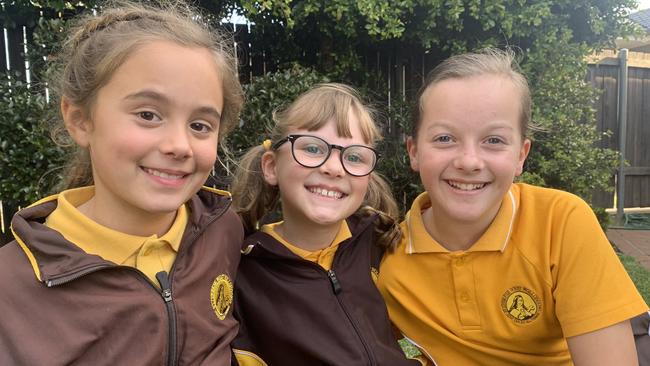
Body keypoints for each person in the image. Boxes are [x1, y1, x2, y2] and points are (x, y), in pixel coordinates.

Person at [0, 1, 244, 364]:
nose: (179, 145)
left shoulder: (221, 229)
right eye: (148, 115)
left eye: (200, 125)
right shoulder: (11, 287)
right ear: (80, 120)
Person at [377, 48, 649, 365]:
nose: (468, 161)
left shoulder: (559, 222)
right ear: (414, 151)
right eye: (444, 138)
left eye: (493, 140)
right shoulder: (388, 256)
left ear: (521, 155)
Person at [229, 83, 421, 366]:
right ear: (271, 167)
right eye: (312, 148)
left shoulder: (381, 243)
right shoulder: (241, 272)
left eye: (354, 156)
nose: (333, 167)